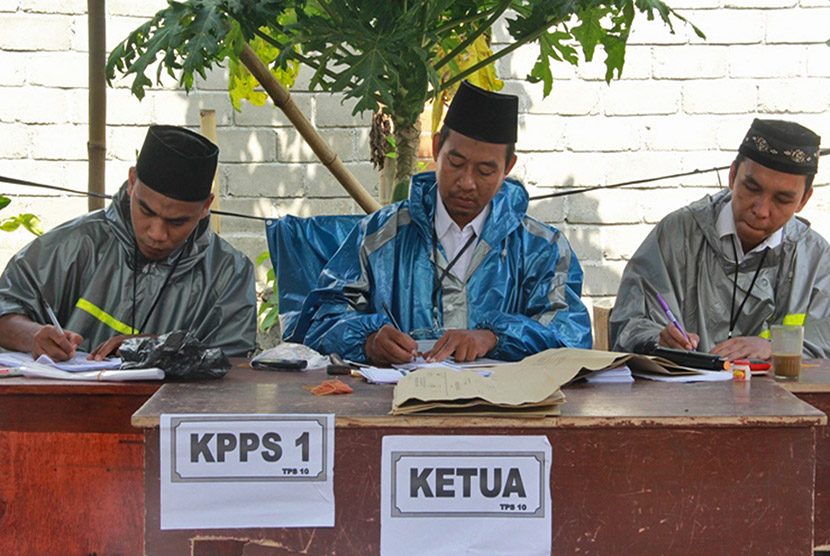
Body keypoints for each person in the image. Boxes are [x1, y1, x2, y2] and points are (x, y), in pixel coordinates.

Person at [291, 81, 592, 364]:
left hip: (504, 415)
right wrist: (368, 340)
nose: (467, 182)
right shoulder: (378, 237)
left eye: (485, 171)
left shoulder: (542, 249)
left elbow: (571, 336)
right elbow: (319, 324)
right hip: (397, 411)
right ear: (436, 148)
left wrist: (495, 338)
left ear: (507, 168)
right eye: (455, 163)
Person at [0, 125, 257, 360]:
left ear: (205, 207)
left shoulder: (228, 274)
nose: (156, 233)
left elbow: (233, 364)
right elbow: (6, 308)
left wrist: (163, 348)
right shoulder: (72, 246)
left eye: (176, 222)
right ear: (132, 182)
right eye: (146, 211)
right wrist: (33, 336)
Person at [610, 118, 830, 360]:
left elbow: (823, 344)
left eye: (782, 200)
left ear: (804, 200)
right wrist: (657, 339)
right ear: (733, 175)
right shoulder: (678, 236)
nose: (761, 210)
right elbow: (629, 324)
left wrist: (774, 347)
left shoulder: (816, 260)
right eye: (752, 188)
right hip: (682, 395)